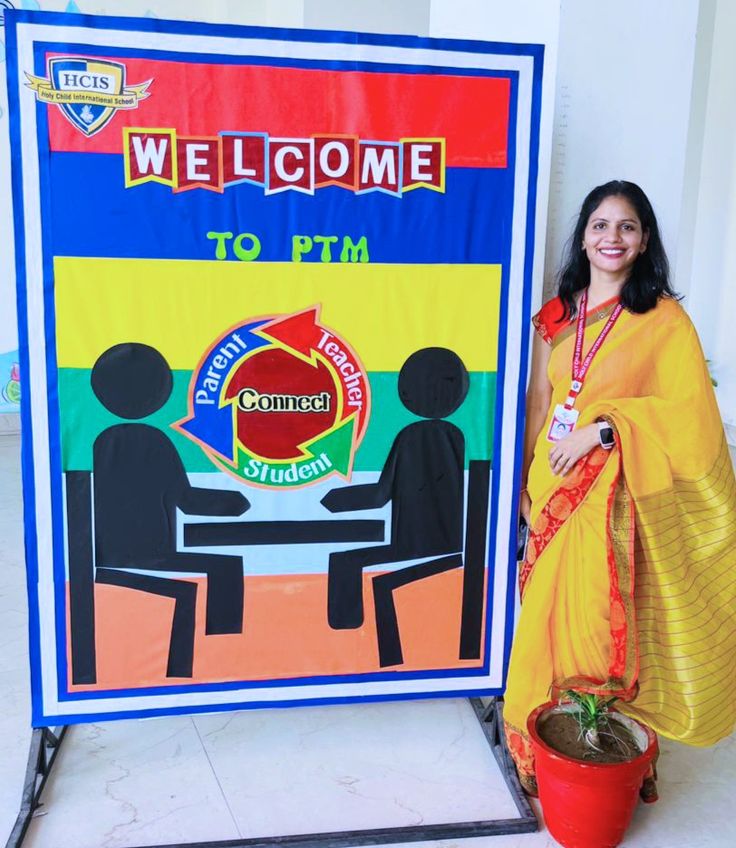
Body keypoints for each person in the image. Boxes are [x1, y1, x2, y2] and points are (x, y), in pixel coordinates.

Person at [503, 180, 736, 800]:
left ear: (644, 240)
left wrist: (605, 429)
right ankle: (539, 737)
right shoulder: (559, 312)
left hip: (608, 491)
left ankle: (596, 743)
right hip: (551, 484)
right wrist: (526, 476)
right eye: (601, 225)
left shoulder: (662, 318)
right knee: (543, 618)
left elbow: (689, 412)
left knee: (597, 620)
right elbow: (542, 398)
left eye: (627, 227)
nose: (613, 238)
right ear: (583, 235)